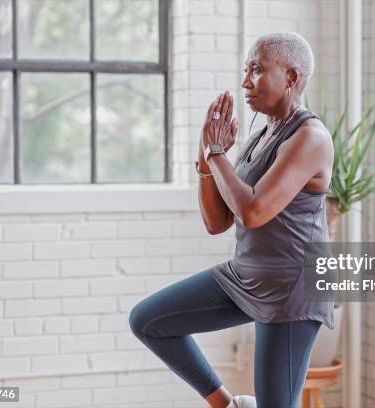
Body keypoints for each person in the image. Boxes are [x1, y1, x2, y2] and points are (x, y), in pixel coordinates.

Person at [129, 31, 335, 408]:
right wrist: (206, 157)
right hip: (246, 275)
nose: (245, 82)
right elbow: (217, 221)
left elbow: (253, 212)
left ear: (290, 77)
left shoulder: (310, 137)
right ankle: (228, 404)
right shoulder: (260, 135)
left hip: (290, 290)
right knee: (148, 320)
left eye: (256, 70)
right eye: (245, 70)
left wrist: (218, 151)